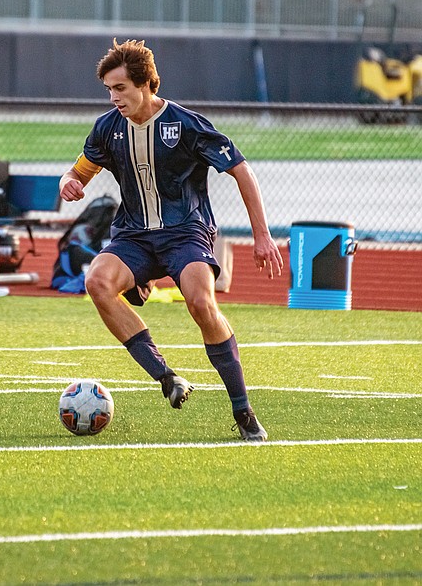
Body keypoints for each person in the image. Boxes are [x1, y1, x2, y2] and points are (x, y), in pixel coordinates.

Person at [59, 38, 283, 442]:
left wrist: (262, 236)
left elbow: (242, 171)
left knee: (200, 300)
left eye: (120, 88)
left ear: (146, 84)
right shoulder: (108, 127)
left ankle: (243, 410)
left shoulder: (187, 125)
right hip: (133, 237)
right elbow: (78, 171)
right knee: (97, 281)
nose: (113, 98)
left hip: (187, 233)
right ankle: (165, 376)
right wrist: (69, 183)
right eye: (108, 89)